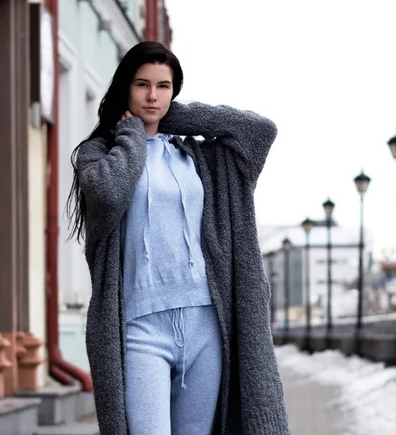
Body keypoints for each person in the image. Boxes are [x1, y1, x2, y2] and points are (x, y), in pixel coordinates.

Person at [68, 41, 291, 435]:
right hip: (141, 328)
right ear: (126, 88)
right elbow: (108, 194)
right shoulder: (98, 155)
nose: (153, 96)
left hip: (205, 322)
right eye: (142, 85)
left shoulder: (200, 157)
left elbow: (260, 132)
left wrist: (179, 118)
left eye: (164, 86)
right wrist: (134, 135)